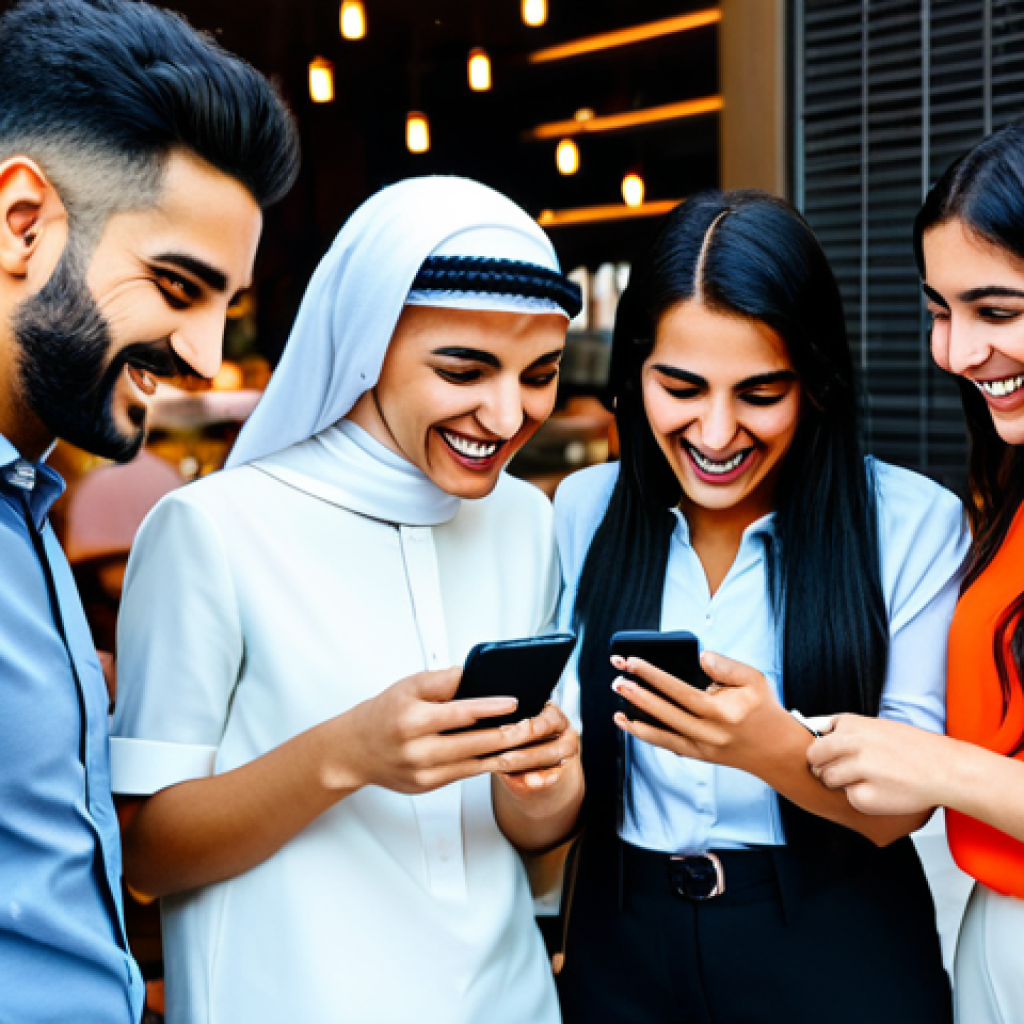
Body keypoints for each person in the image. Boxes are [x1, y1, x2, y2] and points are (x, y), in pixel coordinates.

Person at [110, 176, 585, 1024]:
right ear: (366, 344)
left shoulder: (526, 520)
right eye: (463, 370)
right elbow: (147, 853)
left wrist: (546, 788)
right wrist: (349, 753)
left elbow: (531, 840)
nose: (508, 414)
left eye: (540, 374)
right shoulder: (211, 529)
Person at [551, 190, 970, 1024]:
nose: (716, 433)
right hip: (620, 938)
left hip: (838, 945)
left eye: (760, 392)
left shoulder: (911, 522)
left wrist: (771, 749)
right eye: (681, 387)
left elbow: (903, 811)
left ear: (815, 382)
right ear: (634, 374)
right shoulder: (584, 508)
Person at [0, 0, 298, 1020]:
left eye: (227, 306)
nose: (206, 357)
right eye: (176, 285)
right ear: (23, 223)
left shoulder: (30, 502)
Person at [808, 119, 1024, 1024]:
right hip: (991, 932)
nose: (959, 353)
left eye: (997, 312)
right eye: (941, 311)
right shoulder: (1008, 487)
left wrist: (935, 765)